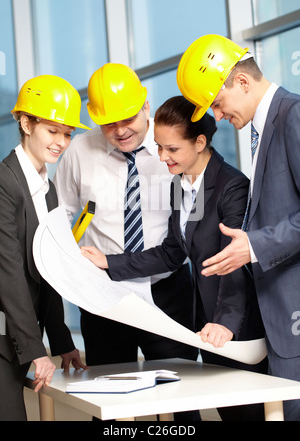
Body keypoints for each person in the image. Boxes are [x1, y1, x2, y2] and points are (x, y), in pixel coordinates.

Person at [81, 95, 267, 421]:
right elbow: (172, 253)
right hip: (207, 326)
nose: (162, 157)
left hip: (235, 324)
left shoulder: (232, 186)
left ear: (199, 142)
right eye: (159, 147)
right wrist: (110, 262)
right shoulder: (181, 184)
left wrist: (224, 322)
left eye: (172, 149)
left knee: (246, 414)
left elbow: (235, 262)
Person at [54, 64, 199, 421]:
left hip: (167, 295)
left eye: (127, 119)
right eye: (108, 123)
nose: (119, 131)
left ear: (145, 106)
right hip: (104, 298)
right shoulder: (79, 152)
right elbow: (56, 218)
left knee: (181, 402)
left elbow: (187, 234)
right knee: (108, 404)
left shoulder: (175, 149)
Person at [177, 33, 300, 421]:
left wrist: (255, 245)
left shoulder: (292, 115)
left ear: (242, 82)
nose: (216, 116)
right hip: (280, 320)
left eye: (216, 103)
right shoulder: (262, 129)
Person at [0, 74, 88, 421]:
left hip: (19, 335)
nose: (62, 142)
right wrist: (38, 351)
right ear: (25, 122)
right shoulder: (4, 183)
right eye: (53, 131)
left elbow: (46, 268)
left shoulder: (47, 188)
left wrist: (61, 341)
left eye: (68, 133)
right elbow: (7, 272)